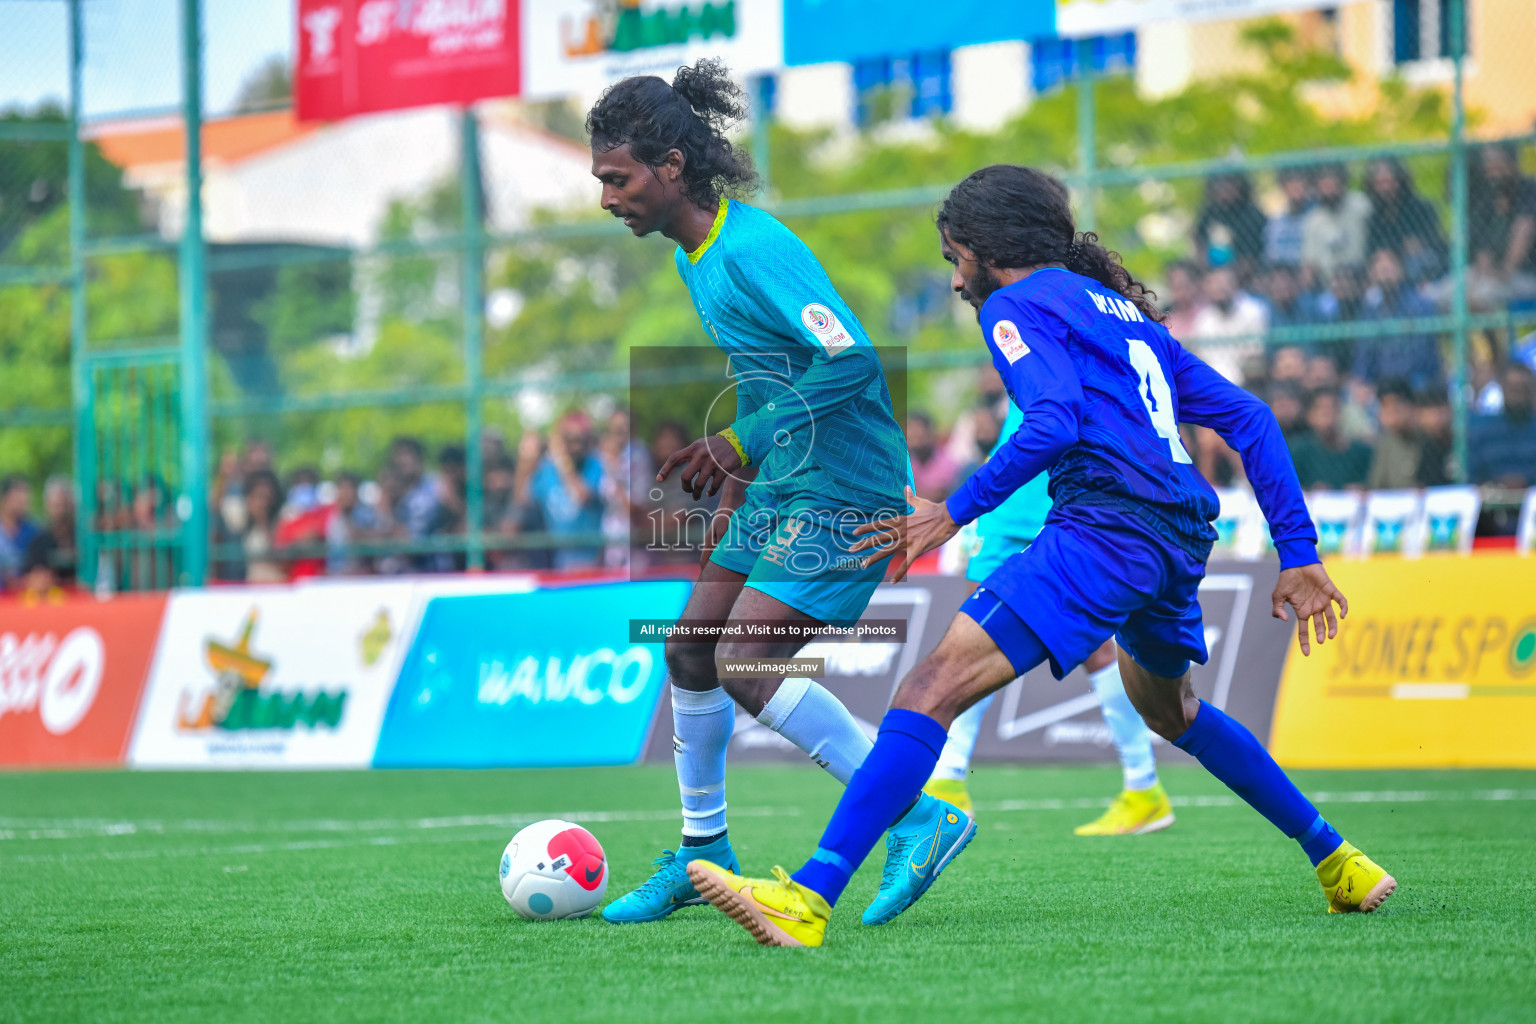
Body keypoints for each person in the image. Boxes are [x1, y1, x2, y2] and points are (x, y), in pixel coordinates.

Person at [689, 165, 1393, 948]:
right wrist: (1298, 553)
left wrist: (952, 512)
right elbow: (1253, 418)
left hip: (1106, 530)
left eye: (957, 258)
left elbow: (1052, 420)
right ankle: (1339, 861)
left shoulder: (1016, 304)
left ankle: (810, 899)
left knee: (930, 686)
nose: (957, 280)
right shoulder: (1125, 316)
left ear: (990, 250)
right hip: (1177, 537)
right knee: (1172, 711)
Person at [586, 60, 949, 926]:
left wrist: (741, 437)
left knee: (745, 662)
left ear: (671, 166)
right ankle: (703, 853)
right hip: (783, 486)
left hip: (848, 487)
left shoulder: (754, 249)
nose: (607, 197)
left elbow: (854, 359)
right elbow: (765, 376)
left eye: (618, 177)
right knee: (689, 651)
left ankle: (918, 815)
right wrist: (742, 476)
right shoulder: (694, 256)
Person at [922, 394, 1174, 836]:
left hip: (1058, 498)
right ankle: (949, 780)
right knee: (974, 633)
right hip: (1012, 501)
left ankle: (1144, 786)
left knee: (1091, 647)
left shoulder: (1061, 329)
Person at [1352, 248, 1442, 393]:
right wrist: (1362, 382)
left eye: (1389, 269)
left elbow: (1422, 354)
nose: (1385, 275)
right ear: (1372, 275)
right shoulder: (1370, 311)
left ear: (1401, 270)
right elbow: (1364, 355)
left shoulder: (1421, 306)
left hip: (1417, 382)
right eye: (1380, 270)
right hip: (1380, 386)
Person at [529, 411, 607, 570]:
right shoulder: (548, 469)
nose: (575, 445)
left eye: (579, 439)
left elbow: (583, 496)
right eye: (569, 439)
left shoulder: (596, 464)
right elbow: (524, 498)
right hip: (556, 561)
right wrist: (527, 460)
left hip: (590, 560)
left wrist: (563, 461)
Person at [1363, 158, 1446, 283]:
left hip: (1423, 266)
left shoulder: (1420, 208)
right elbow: (1373, 248)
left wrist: (1415, 245)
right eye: (1379, 183)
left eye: (1389, 182)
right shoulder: (1374, 214)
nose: (1385, 188)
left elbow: (1430, 243)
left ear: (1400, 181)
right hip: (1388, 268)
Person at [1188, 265, 1268, 383]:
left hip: (1246, 377)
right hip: (1213, 377)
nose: (1220, 288)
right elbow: (1202, 358)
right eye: (1214, 284)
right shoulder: (1204, 319)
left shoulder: (1252, 311)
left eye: (1224, 283)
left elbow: (1254, 354)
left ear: (1235, 285)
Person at [1288, 390, 1373, 490]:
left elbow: (1377, 487)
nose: (1329, 417)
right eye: (1322, 411)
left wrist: (1362, 489)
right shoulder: (1298, 452)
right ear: (1310, 416)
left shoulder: (1363, 453)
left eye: (1333, 410)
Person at [1301, 163, 1371, 284]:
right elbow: (1309, 262)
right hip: (1328, 282)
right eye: (1324, 186)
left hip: (1360, 277)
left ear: (1342, 184)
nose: (1329, 190)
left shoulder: (1360, 205)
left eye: (1333, 185)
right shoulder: (1313, 219)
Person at [1468, 363, 1536, 487]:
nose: (1519, 396)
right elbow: (1473, 474)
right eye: (1514, 389)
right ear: (1503, 389)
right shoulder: (1485, 433)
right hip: (1492, 500)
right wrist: (1498, 483)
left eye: (1524, 389)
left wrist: (1526, 481)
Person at [1366, 380, 1422, 490]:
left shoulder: (1426, 440)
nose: (1391, 413)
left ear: (1411, 406)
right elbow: (1376, 486)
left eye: (1396, 406)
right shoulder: (1386, 443)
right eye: (1385, 406)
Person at [906, 411, 960, 502]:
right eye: (910, 429)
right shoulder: (905, 462)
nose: (913, 434)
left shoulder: (947, 462)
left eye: (917, 429)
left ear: (930, 433)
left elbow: (938, 495)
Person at [0, 475, 41, 591]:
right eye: (18, 500)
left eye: (25, 501)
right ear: (4, 500)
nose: (22, 504)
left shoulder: (34, 531)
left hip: (26, 598)